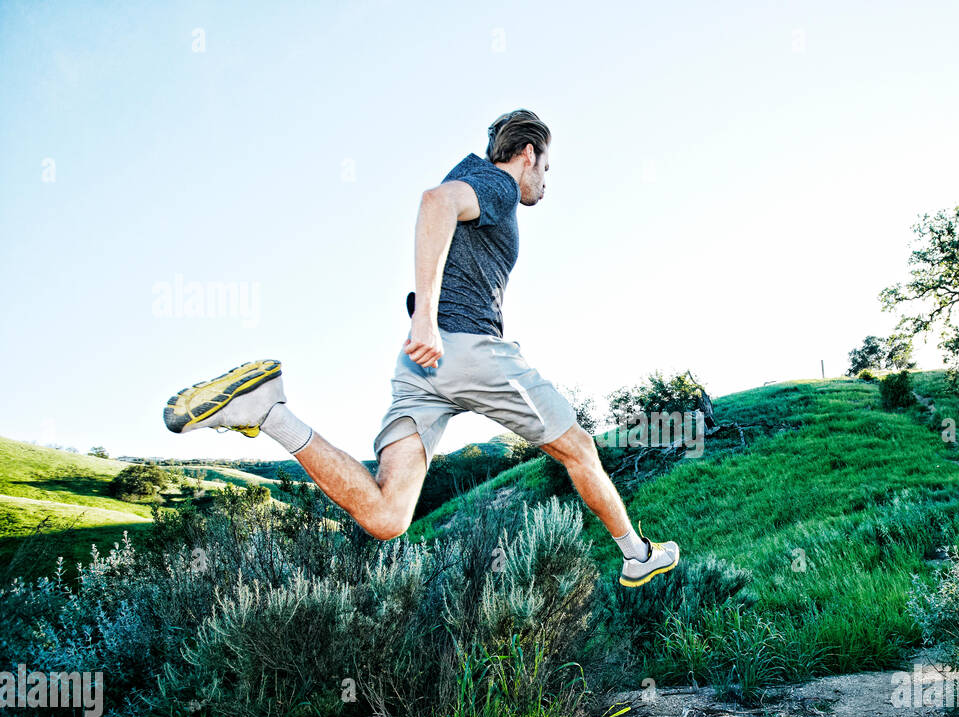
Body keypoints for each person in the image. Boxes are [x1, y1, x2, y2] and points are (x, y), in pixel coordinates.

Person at [163, 109, 679, 587]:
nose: (546, 182)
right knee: (581, 449)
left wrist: (433, 328)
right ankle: (636, 554)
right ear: (528, 154)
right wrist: (428, 320)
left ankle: (268, 411)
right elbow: (435, 202)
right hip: (464, 349)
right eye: (547, 168)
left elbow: (449, 222)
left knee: (387, 516)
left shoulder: (478, 180)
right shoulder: (496, 184)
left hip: (422, 366)